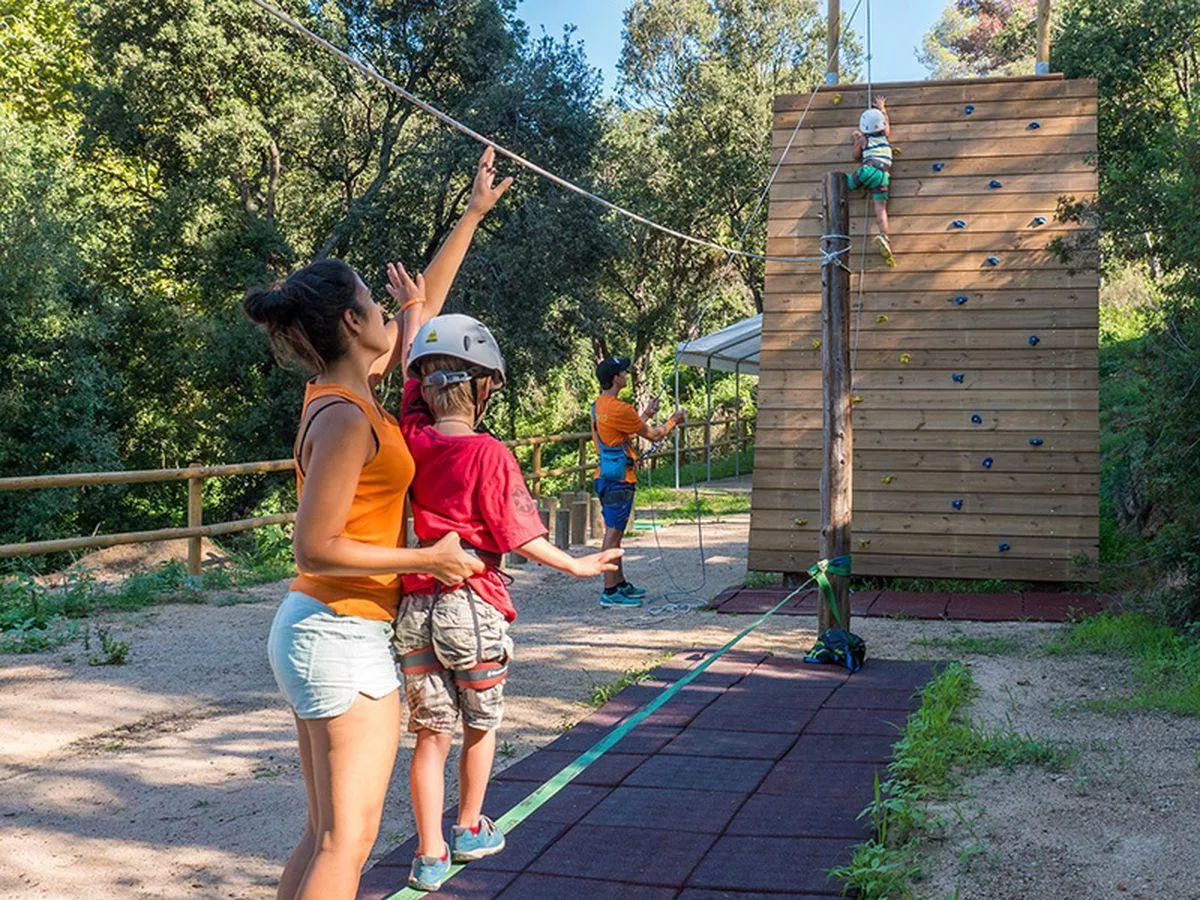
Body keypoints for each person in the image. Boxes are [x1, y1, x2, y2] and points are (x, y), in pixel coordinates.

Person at [244, 146, 509, 900]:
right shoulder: (344, 418)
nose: (393, 310)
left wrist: (473, 213)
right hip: (336, 631)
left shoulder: (350, 395)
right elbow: (315, 544)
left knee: (327, 836)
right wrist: (429, 556)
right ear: (357, 323)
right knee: (347, 844)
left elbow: (422, 312)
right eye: (376, 302)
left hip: (328, 631)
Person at [386, 298, 622, 891]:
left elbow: (413, 395)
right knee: (479, 725)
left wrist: (413, 318)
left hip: (416, 605)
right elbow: (520, 532)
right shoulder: (489, 454)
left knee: (430, 735)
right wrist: (577, 565)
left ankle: (430, 855)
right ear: (487, 387)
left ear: (424, 381)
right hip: (473, 603)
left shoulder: (412, 439)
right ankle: (469, 826)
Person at [590, 356, 685, 608]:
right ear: (615, 378)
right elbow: (653, 435)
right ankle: (610, 591)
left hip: (605, 477)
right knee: (613, 535)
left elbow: (624, 429)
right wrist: (673, 421)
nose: (625, 374)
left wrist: (646, 414)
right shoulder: (621, 409)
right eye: (622, 372)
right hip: (620, 481)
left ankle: (619, 583)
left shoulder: (598, 406)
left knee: (616, 534)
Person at [847, 95, 895, 266]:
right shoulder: (885, 136)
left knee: (846, 184)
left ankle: (851, 191)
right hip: (884, 175)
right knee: (880, 209)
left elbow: (855, 157)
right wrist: (882, 107)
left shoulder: (865, 140)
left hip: (869, 169)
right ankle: (885, 236)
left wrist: (857, 140)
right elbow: (886, 123)